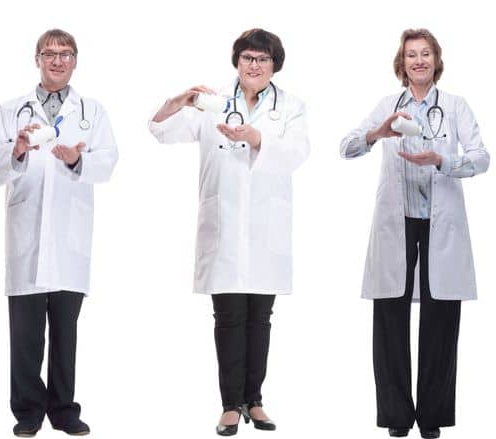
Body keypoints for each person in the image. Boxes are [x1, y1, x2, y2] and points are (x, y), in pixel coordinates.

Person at [146, 28, 309, 437]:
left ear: (275, 65)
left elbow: (297, 152)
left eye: (263, 59)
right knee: (229, 317)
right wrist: (178, 101)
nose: (254, 65)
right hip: (223, 226)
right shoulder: (212, 102)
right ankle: (230, 405)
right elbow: (160, 131)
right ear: (237, 62)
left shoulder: (290, 106)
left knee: (261, 317)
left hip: (265, 230)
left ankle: (255, 399)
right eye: (248, 58)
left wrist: (256, 137)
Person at [339, 28, 488, 439]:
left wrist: (442, 160)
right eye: (411, 55)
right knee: (390, 320)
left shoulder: (456, 107)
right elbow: (347, 146)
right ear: (401, 63)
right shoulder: (388, 106)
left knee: (440, 323)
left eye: (425, 54)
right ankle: (397, 417)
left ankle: (433, 418)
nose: (419, 61)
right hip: (397, 223)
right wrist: (376, 134)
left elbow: (481, 158)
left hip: (442, 224)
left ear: (436, 60)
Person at [0, 28, 116, 438]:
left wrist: (77, 159)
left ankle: (63, 409)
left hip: (69, 235)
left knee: (65, 332)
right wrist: (15, 151)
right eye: (49, 53)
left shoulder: (91, 111)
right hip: (26, 234)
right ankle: (27, 411)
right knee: (24, 334)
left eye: (65, 54)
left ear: (75, 60)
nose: (57, 60)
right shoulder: (10, 110)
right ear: (36, 59)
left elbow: (108, 162)